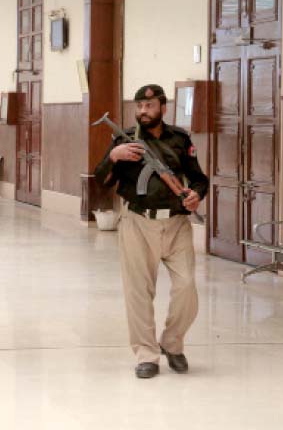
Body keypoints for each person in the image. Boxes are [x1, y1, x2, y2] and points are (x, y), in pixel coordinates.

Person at [94, 84, 209, 379]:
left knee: (187, 289)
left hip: (176, 224)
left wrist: (196, 194)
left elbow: (199, 179)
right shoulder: (124, 140)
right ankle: (146, 354)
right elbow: (101, 179)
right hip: (137, 222)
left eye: (149, 106)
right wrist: (115, 156)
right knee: (139, 292)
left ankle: (171, 342)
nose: (143, 112)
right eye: (139, 107)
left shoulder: (180, 139)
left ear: (163, 108)